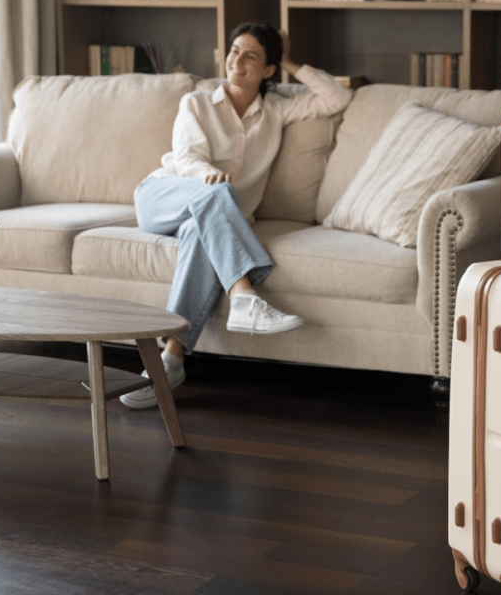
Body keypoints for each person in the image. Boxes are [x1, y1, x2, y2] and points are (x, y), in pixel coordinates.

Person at [120, 23, 353, 409]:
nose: (236, 62)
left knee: (201, 231)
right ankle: (245, 296)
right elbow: (187, 157)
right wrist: (207, 178)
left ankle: (170, 361)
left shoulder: (276, 109)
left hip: (209, 214)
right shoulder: (196, 102)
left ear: (267, 70)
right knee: (217, 194)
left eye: (251, 56)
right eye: (233, 51)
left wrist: (290, 60)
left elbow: (337, 98)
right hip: (163, 196)